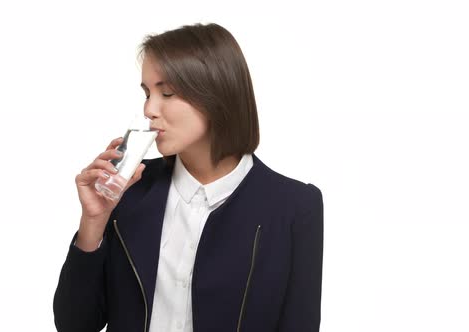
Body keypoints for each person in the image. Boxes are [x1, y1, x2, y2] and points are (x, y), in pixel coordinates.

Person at [53, 22, 324, 332]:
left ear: (217, 95)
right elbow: (75, 324)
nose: (149, 109)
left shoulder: (294, 206)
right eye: (147, 93)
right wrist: (93, 222)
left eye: (166, 92)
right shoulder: (128, 191)